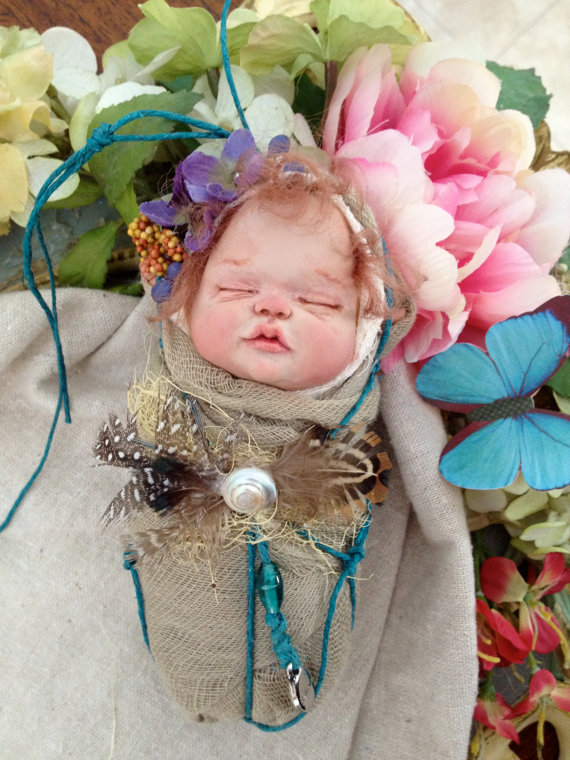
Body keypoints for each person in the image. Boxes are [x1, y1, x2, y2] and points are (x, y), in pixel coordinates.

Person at [96, 133, 416, 729]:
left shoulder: (344, 420)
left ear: (365, 331)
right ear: (186, 304)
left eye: (316, 301)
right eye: (239, 288)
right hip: (183, 562)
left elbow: (360, 486)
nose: (272, 308)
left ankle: (288, 681)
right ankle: (199, 674)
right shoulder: (173, 391)